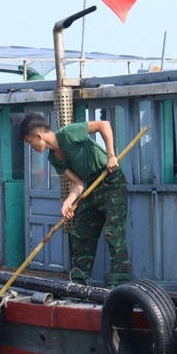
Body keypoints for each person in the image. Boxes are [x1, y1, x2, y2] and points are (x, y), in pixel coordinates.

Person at [19, 113, 131, 288]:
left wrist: (111, 155)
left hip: (110, 181)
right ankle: (79, 282)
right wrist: (68, 202)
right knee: (80, 231)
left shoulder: (68, 133)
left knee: (113, 231)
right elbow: (78, 183)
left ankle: (121, 278)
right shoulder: (53, 158)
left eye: (29, 142)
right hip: (91, 186)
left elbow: (104, 125)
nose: (30, 146)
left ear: (38, 136)